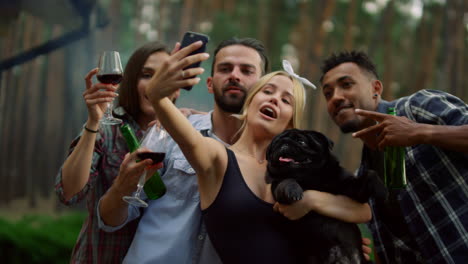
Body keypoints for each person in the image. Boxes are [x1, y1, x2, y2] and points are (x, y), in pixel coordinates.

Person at [99, 38, 371, 263]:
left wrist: (316, 208)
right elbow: (188, 139)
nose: (275, 99)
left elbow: (362, 210)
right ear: (251, 100)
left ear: (291, 121)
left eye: (286, 99)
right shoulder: (211, 152)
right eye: (268, 92)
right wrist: (159, 96)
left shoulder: (300, 172)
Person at [320, 50, 468, 263]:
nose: (336, 97)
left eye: (346, 84)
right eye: (328, 93)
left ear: (375, 89)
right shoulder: (363, 177)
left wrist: (420, 132)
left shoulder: (417, 107)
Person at [55, 41, 181, 263]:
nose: (154, 85)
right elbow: (68, 193)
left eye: (163, 76)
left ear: (177, 87)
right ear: (130, 81)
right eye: (147, 75)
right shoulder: (107, 129)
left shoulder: (185, 137)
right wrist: (93, 121)